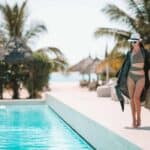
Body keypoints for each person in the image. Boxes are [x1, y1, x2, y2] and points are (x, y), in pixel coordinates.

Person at [115, 33, 150, 128]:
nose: (133, 43)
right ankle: (133, 120)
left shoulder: (145, 52)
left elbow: (148, 67)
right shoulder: (129, 53)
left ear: (139, 41)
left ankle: (139, 117)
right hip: (130, 77)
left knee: (136, 98)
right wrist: (120, 76)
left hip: (141, 77)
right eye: (132, 42)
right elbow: (124, 66)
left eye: (134, 41)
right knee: (131, 99)